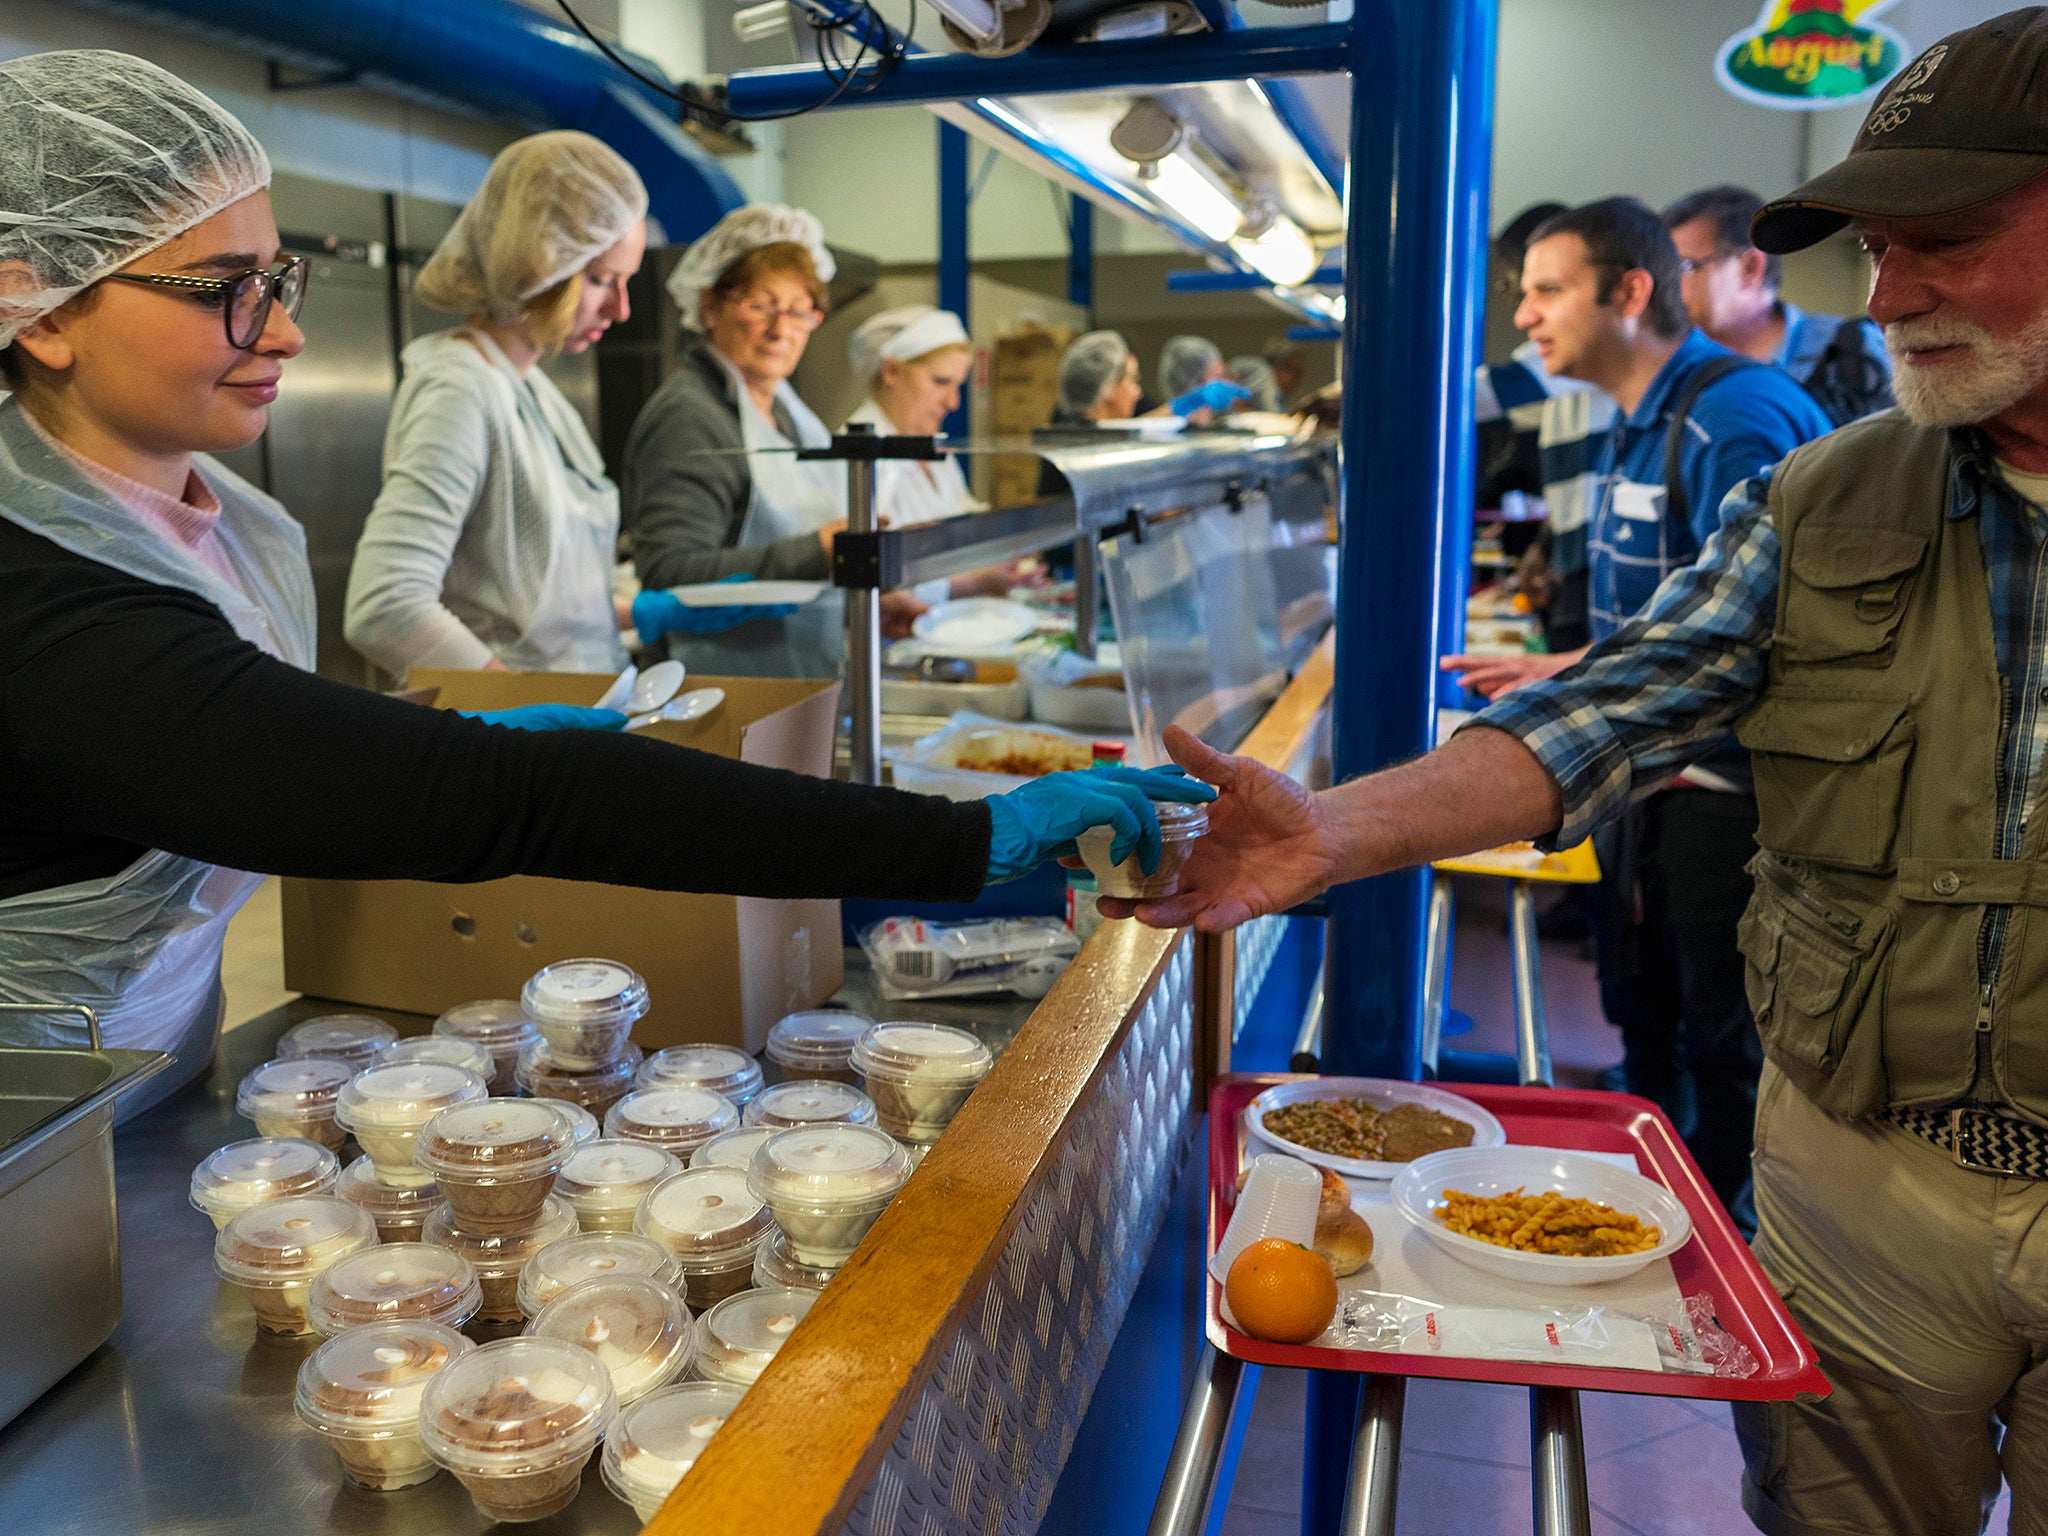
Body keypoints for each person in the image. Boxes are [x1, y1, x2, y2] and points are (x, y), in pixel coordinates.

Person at [1118, 12, 2048, 1528]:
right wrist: (1328, 831)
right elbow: (1610, 709)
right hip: (1868, 1187)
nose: (1893, 295)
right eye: (1877, 248)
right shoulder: (1829, 493)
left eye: (1941, 237)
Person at [0, 50, 1214, 1117]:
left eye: (282, 279)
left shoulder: (220, 517)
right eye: (226, 290)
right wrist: (963, 836)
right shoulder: (45, 603)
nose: (284, 333)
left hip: (150, 1070)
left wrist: (456, 730)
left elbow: (245, 746)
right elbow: (501, 788)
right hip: (29, 1116)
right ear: (36, 308)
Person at [1441, 197, 1833, 1223]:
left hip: (1728, 797)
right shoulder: (1637, 416)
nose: (1523, 316)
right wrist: (1567, 666)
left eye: (1544, 290)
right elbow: (1683, 608)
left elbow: (1762, 633)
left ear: (1629, 291)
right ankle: (1651, 1204)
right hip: (1655, 780)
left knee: (1721, 1038)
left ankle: (1720, 1238)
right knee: (1644, 1014)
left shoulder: (1728, 420)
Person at [342, 133, 753, 681]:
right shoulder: (460, 390)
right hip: (500, 747)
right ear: (535, 264)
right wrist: (518, 708)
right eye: (602, 280)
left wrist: (643, 614)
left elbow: (528, 606)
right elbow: (384, 607)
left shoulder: (529, 388)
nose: (621, 309)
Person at [620, 204, 892, 677]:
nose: (780, 329)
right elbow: (669, 573)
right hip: (708, 687)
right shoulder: (691, 415)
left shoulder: (786, 413)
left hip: (789, 674)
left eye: (798, 311)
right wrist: (818, 552)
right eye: (760, 305)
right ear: (709, 306)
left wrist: (868, 602)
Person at [1471, 201, 1617, 642]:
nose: (1504, 286)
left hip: (1598, 561)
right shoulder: (1553, 357)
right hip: (1573, 555)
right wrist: (1545, 545)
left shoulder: (1577, 346)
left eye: (1513, 269)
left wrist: (1368, 394)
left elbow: (1482, 395)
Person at [843, 303, 1036, 606]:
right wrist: (972, 584)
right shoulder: (854, 459)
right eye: (941, 382)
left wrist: (1009, 547)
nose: (953, 402)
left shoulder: (933, 450)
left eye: (958, 385)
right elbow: (861, 582)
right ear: (891, 370)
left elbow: (963, 517)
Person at [1663, 182, 1895, 427]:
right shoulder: (1676, 370)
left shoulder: (1854, 353)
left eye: (1684, 267)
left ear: (1750, 269)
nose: (1669, 286)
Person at [1054, 329, 1247, 426]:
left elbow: (1138, 429)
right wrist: (1188, 403)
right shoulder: (1083, 443)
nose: (1138, 392)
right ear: (1108, 388)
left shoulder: (1108, 434)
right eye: (1131, 380)